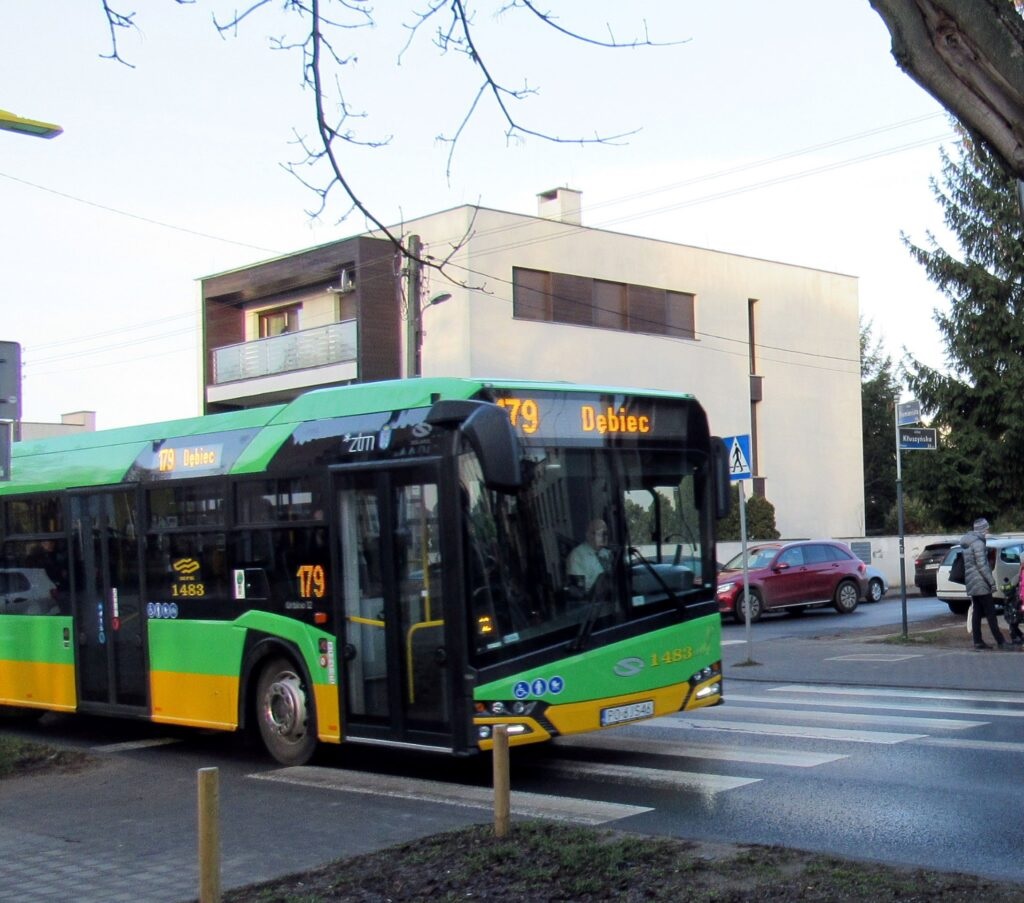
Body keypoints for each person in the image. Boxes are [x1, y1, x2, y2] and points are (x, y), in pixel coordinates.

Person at [961, 518, 1010, 650]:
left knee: (977, 612)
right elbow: (982, 566)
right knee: (990, 613)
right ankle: (1001, 641)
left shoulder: (967, 543)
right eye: (986, 528)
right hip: (981, 582)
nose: (988, 531)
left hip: (971, 582)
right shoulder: (978, 544)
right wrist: (991, 582)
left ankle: (977, 641)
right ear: (982, 529)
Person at [566, 519, 612, 593]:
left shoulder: (608, 553)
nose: (604, 537)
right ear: (588, 535)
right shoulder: (577, 555)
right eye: (600, 533)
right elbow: (579, 590)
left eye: (605, 533)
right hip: (591, 601)